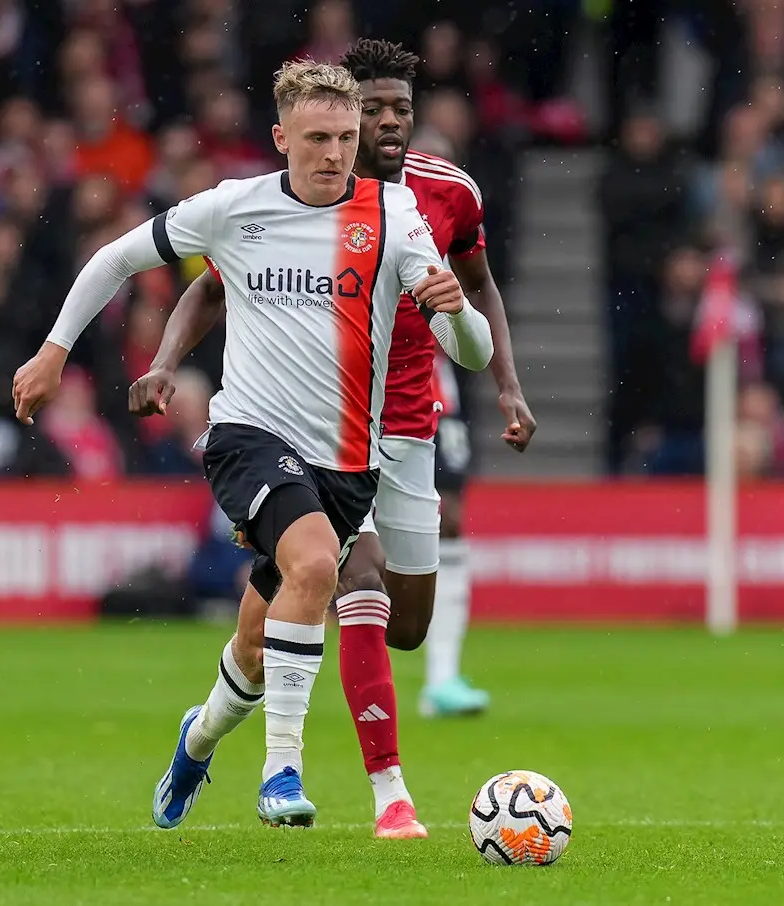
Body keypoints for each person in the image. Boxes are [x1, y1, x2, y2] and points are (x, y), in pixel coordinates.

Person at [11, 60, 494, 832]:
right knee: (310, 566)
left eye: (344, 136)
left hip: (346, 463)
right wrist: (53, 351)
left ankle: (196, 739)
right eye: (316, 138)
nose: (334, 153)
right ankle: (282, 774)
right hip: (247, 436)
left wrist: (456, 311)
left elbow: (466, 351)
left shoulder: (394, 215)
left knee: (256, 641)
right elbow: (115, 259)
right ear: (280, 138)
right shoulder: (234, 209)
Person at [165, 39, 535, 839]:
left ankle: (209, 720)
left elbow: (477, 290)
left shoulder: (444, 194)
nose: (387, 122)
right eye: (370, 111)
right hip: (320, 430)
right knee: (351, 578)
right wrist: (166, 363)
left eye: (400, 107)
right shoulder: (294, 205)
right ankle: (387, 793)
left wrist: (503, 381)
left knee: (398, 626)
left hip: (412, 422)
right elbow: (210, 289)